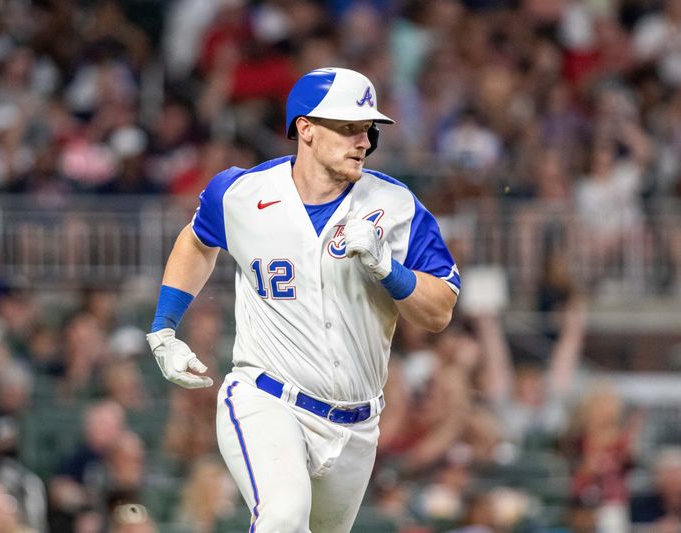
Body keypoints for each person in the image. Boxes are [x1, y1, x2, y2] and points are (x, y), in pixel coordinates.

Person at [146, 67, 460, 532]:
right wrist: (164, 328)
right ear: (305, 129)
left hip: (357, 425)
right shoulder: (241, 192)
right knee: (284, 518)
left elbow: (440, 311)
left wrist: (389, 270)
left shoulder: (397, 207)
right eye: (348, 127)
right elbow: (197, 241)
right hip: (267, 397)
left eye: (368, 130)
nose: (364, 141)